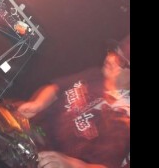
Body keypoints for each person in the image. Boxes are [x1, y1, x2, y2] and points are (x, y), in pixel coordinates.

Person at [16, 35, 130, 168]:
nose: (110, 58)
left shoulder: (123, 120)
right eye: (113, 50)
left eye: (121, 60)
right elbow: (56, 88)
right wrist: (38, 104)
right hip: (27, 136)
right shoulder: (96, 74)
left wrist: (71, 164)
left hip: (44, 161)